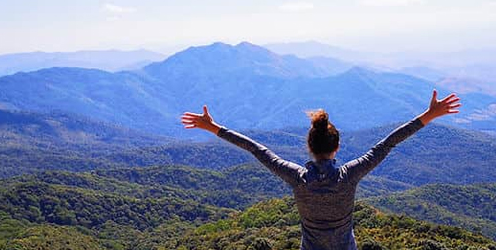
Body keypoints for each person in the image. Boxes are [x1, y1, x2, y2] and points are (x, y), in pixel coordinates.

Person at [180, 90, 461, 250]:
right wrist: (429, 116)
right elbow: (387, 144)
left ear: (309, 147)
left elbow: (256, 149)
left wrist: (213, 128)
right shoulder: (349, 176)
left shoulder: (297, 179)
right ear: (336, 148)